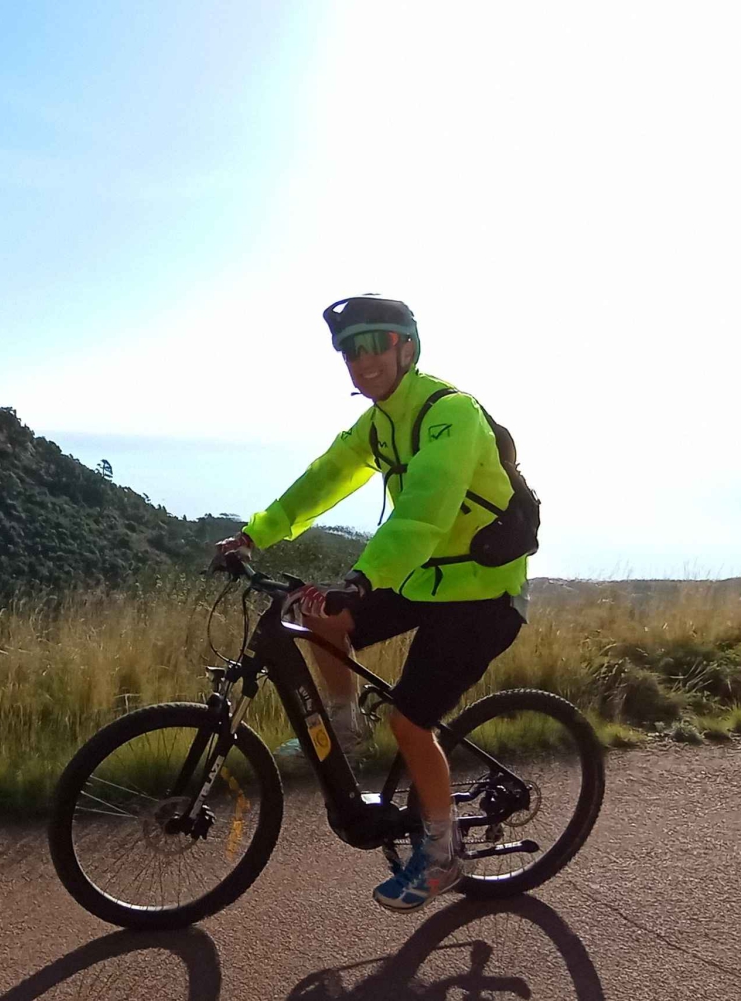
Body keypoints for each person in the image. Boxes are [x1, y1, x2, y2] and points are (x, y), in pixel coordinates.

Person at [216, 294, 529, 913]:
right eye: (349, 350)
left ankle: (442, 856)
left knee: (411, 722)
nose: (362, 360)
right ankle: (344, 725)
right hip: (423, 580)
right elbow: (327, 476)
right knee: (320, 616)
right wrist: (256, 532)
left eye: (374, 344)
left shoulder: (450, 413)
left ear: (406, 348)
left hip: (483, 594)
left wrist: (363, 577)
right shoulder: (378, 422)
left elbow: (425, 514)